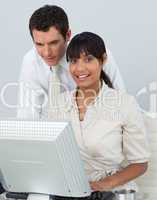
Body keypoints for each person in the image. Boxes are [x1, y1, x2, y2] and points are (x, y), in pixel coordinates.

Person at [48, 32, 150, 200]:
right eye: (74, 61)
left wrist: (103, 184)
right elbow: (51, 156)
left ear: (103, 60)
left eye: (88, 59)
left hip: (109, 190)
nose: (80, 68)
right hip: (69, 190)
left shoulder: (125, 104)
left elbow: (140, 164)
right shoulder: (58, 104)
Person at [17, 5, 125, 120]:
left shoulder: (97, 55)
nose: (47, 52)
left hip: (98, 126)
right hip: (53, 132)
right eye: (39, 44)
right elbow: (26, 116)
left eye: (53, 43)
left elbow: (122, 104)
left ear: (68, 35)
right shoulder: (31, 62)